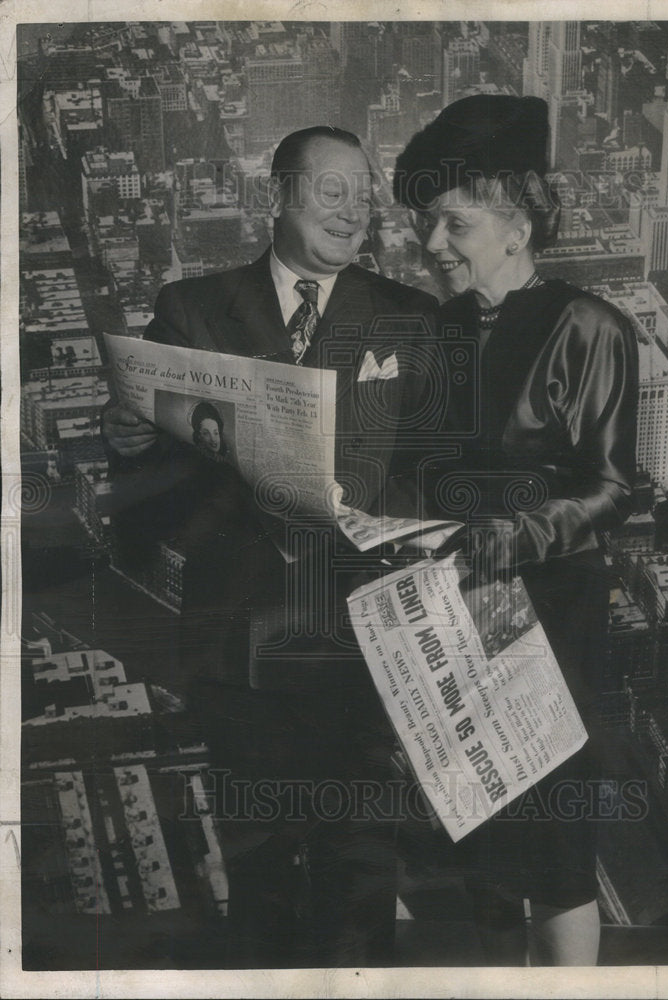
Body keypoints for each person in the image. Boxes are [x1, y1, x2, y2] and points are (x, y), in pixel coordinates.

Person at [103, 125, 439, 966]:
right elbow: (154, 497)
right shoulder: (190, 310)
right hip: (239, 640)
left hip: (361, 643)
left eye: (364, 195)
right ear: (276, 197)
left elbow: (437, 469)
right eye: (333, 191)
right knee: (257, 865)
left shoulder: (408, 318)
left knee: (358, 867)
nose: (354, 211)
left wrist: (381, 513)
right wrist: (133, 440)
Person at [393, 95, 639, 966]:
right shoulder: (442, 331)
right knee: (470, 846)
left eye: (453, 224)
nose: (432, 247)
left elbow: (610, 488)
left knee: (555, 857)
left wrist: (506, 537)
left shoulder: (588, 327)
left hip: (550, 620)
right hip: (447, 618)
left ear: (517, 226)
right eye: (427, 225)